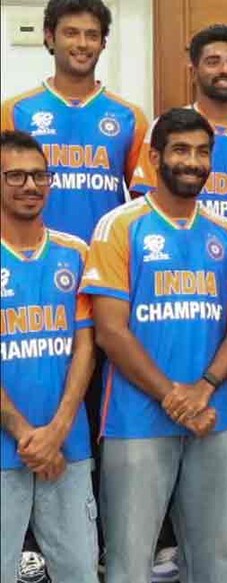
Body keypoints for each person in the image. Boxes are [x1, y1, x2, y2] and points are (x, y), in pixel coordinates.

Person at [129, 23, 227, 574]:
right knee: (160, 418)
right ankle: (168, 541)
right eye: (213, 60)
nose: (224, 69)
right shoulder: (165, 131)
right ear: (193, 65)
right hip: (175, 295)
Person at [79, 108, 227, 583]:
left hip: (212, 417)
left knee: (214, 558)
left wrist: (204, 388)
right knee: (130, 560)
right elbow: (110, 331)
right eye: (180, 150)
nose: (192, 161)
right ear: (155, 157)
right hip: (136, 420)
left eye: (202, 152)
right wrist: (174, 397)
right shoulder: (119, 227)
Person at [0, 130, 98, 583]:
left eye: (39, 175)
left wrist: (56, 431)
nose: (30, 185)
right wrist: (25, 433)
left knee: (78, 571)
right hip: (7, 448)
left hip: (68, 447)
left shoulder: (75, 253)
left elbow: (85, 347)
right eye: (15, 175)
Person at [0, 0, 147, 243]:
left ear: (103, 43)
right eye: (71, 33)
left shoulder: (130, 118)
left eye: (91, 35)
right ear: (49, 37)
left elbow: (143, 205)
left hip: (105, 262)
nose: (82, 44)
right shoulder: (15, 112)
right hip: (33, 260)